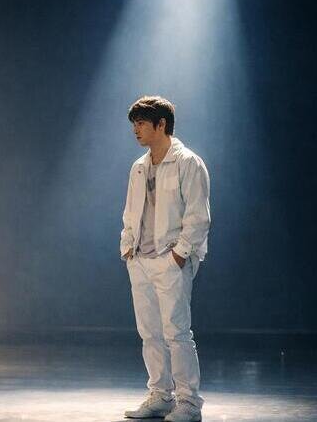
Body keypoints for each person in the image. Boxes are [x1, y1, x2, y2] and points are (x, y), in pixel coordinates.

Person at [121, 96, 210, 422]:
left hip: (170, 260)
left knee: (177, 333)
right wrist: (127, 248)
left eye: (142, 123)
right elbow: (130, 213)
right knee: (150, 333)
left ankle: (188, 403)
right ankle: (160, 395)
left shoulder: (188, 162)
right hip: (141, 259)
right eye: (134, 124)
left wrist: (180, 254)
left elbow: (198, 216)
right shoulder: (139, 166)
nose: (136, 130)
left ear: (161, 125)